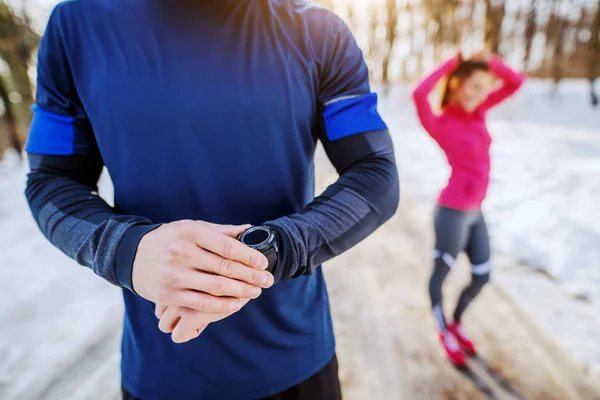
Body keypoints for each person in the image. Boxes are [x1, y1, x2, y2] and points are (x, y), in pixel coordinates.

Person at [24, 1, 399, 399]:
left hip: (297, 365)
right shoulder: (76, 26)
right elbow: (51, 179)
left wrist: (274, 249)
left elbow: (375, 171)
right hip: (160, 373)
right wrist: (126, 250)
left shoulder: (318, 32)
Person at [411, 50, 525, 366]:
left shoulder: (478, 112)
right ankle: (442, 329)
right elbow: (418, 94)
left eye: (485, 88)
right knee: (441, 273)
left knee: (481, 276)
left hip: (477, 211)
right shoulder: (440, 121)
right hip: (451, 211)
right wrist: (450, 64)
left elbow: (516, 82)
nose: (481, 94)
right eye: (474, 87)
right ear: (457, 84)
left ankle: (457, 322)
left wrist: (488, 64)